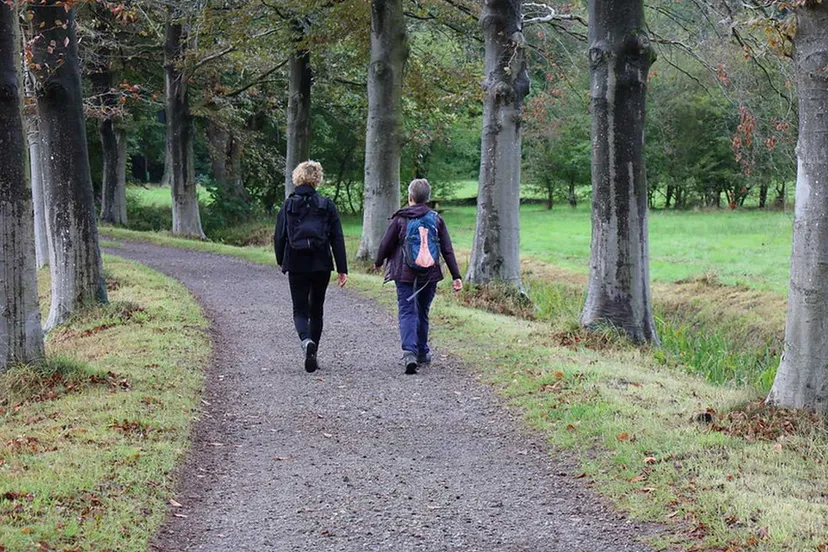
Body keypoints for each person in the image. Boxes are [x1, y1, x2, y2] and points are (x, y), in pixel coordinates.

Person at [375, 179, 463, 375]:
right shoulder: (436, 219)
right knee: (422, 311)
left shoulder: (401, 219)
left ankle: (409, 353)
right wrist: (456, 276)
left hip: (404, 274)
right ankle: (423, 352)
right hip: (429, 275)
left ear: (410, 197)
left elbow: (385, 244)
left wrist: (378, 262)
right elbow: (447, 250)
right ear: (428, 199)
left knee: (407, 311)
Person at [275, 161, 348, 373]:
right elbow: (337, 237)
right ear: (317, 179)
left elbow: (279, 236)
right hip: (321, 263)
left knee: (300, 309)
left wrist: (282, 261)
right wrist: (342, 268)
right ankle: (313, 353)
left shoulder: (288, 205)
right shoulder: (326, 204)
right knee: (317, 309)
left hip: (296, 263)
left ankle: (306, 341)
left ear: (297, 178)